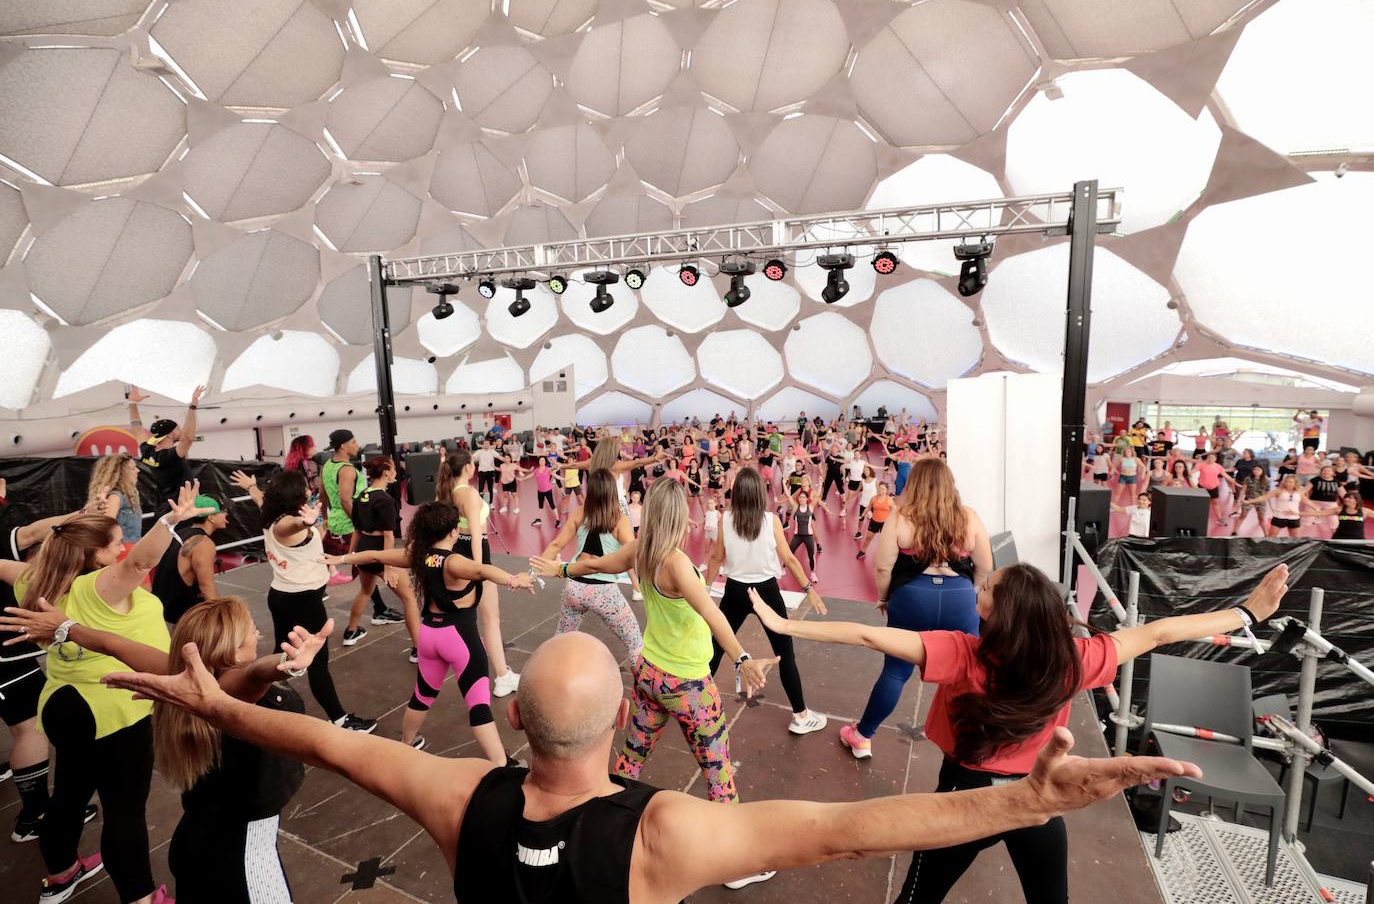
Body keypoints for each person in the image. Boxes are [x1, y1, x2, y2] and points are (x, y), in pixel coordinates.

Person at [103, 627, 1202, 902]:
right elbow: (853, 829)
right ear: (620, 714)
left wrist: (218, 702)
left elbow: (326, 741)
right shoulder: (663, 835)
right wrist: (1022, 801)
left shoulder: (456, 794)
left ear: (520, 721)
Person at [749, 561, 1288, 903]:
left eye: (987, 588)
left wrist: (787, 625)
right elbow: (1163, 631)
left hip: (964, 797)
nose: (979, 588)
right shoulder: (1076, 659)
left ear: (999, 615)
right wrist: (1247, 612)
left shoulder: (963, 653)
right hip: (1036, 798)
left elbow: (868, 636)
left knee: (917, 898)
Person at [532, 481, 783, 891]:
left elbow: (594, 565)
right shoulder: (677, 563)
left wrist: (559, 568)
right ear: (679, 517)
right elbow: (712, 614)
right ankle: (737, 865)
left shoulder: (642, 551)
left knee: (631, 757)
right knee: (718, 768)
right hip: (688, 687)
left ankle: (596, 821)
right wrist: (742, 657)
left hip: (649, 674)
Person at [0, 596, 329, 903]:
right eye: (250, 629)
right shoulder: (228, 691)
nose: (257, 632)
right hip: (241, 859)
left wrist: (65, 627)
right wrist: (285, 663)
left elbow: (114, 644)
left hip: (194, 843)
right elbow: (255, 675)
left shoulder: (179, 674)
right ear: (233, 651)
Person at [0, 483, 207, 903]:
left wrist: (61, 527)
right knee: (124, 810)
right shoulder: (97, 587)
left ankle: (60, 875)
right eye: (115, 545)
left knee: (71, 793)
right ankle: (141, 896)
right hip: (113, 707)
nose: (123, 548)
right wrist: (170, 520)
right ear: (93, 557)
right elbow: (143, 560)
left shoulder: (35, 579)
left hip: (62, 705)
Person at [329, 502, 534, 760]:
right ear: (452, 532)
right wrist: (515, 579)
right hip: (460, 639)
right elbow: (482, 570)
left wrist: (342, 558)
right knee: (478, 705)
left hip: (429, 635)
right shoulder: (454, 562)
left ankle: (406, 743)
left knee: (423, 695)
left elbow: (374, 556)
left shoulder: (418, 555)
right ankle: (501, 764)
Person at [847, 458, 991, 759]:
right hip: (959, 599)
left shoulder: (900, 518)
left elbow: (884, 568)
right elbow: (985, 567)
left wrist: (885, 598)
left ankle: (862, 736)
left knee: (897, 671)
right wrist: (968, 591)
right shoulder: (969, 517)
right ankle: (980, 743)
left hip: (912, 599)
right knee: (971, 669)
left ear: (915, 485)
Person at [0, 481, 116, 849]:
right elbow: (36, 533)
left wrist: (81, 515)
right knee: (30, 728)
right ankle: (33, 814)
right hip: (4, 652)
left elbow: (37, 536)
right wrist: (84, 515)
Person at [234, 470, 376, 733]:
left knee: (283, 653)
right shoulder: (286, 524)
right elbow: (289, 528)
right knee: (317, 663)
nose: (309, 490)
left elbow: (260, 498)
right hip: (303, 602)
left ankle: (260, 698)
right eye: (305, 487)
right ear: (295, 495)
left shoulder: (270, 512)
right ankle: (341, 720)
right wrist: (306, 524)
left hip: (281, 596)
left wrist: (252, 486)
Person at [703, 468, 828, 737]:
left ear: (736, 493)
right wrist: (809, 590)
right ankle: (801, 716)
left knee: (714, 648)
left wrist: (703, 588)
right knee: (785, 654)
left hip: (735, 591)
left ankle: (694, 704)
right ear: (761, 493)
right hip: (766, 593)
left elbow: (715, 558)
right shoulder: (770, 521)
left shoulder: (726, 519)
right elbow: (791, 559)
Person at [436, 450, 520, 697]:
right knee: (491, 620)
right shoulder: (469, 495)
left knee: (465, 616)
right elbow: (476, 536)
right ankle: (503, 677)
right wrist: (482, 570)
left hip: (456, 552)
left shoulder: (445, 492)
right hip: (474, 554)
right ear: (468, 469)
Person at [538, 470, 642, 661]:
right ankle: (644, 690)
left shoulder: (579, 513)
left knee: (561, 640)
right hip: (604, 591)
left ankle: (549, 680)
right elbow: (631, 555)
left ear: (590, 491)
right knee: (636, 643)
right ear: (612, 491)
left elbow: (556, 545)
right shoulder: (620, 519)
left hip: (575, 588)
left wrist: (532, 573)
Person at [321, 431, 402, 621]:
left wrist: (325, 516)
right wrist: (362, 521)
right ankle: (381, 610)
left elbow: (324, 494)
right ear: (343, 446)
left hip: (336, 523)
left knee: (363, 572)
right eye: (353, 442)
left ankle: (378, 609)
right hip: (350, 525)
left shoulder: (327, 466)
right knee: (369, 569)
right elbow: (345, 499)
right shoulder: (348, 470)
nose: (357, 445)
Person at [341, 456, 419, 648]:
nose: (395, 472)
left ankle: (350, 631)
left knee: (366, 590)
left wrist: (351, 556)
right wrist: (389, 566)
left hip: (363, 549)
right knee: (409, 598)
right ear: (386, 472)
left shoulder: (361, 497)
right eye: (393, 469)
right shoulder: (385, 500)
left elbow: (357, 531)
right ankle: (418, 649)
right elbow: (388, 537)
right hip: (379, 550)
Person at [152, 493, 229, 624]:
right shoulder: (203, 543)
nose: (227, 514)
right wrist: (224, 620)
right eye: (223, 511)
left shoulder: (181, 533)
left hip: (165, 608)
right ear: (211, 517)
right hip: (183, 613)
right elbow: (207, 588)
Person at [130, 384, 206, 516]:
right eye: (178, 429)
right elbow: (187, 438)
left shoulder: (147, 450)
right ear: (170, 434)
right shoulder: (170, 456)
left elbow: (136, 428)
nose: (181, 431)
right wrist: (193, 405)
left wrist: (132, 403)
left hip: (164, 510)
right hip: (180, 511)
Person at [87, 454, 142, 543]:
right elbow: (105, 528)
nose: (138, 470)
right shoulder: (115, 496)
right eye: (133, 468)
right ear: (122, 473)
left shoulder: (126, 495)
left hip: (131, 549)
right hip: (121, 551)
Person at [1304, 492, 1373, 540]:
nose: (1346, 499)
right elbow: (1319, 513)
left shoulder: (1364, 511)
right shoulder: (1339, 509)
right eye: (1346, 497)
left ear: (1356, 500)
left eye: (1350, 498)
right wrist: (1298, 513)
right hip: (1339, 538)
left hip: (1358, 540)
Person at [856, 481, 893, 559]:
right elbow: (868, 508)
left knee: (885, 540)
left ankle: (885, 555)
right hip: (874, 522)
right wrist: (862, 515)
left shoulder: (889, 500)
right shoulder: (873, 498)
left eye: (883, 489)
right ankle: (862, 551)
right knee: (868, 538)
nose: (881, 490)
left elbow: (894, 511)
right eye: (880, 488)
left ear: (886, 490)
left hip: (884, 523)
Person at [1231, 464, 1270, 536]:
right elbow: (1243, 490)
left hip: (1260, 501)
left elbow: (1268, 493)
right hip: (1248, 499)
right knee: (1243, 515)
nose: (1256, 471)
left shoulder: (1266, 480)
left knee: (1261, 518)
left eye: (1258, 470)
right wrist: (1240, 500)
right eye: (1255, 469)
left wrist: (1269, 504)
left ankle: (1266, 534)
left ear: (1262, 471)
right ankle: (1235, 531)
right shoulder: (1248, 479)